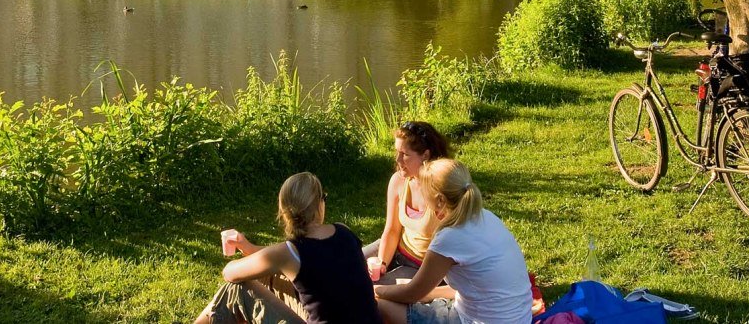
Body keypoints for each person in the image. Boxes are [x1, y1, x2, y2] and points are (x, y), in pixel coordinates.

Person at [196, 172, 380, 324]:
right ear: (319, 204)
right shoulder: (344, 232)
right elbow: (282, 259)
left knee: (235, 289)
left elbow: (229, 273)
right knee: (271, 276)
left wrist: (243, 257)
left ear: (284, 211)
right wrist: (249, 248)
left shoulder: (290, 254)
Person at [375, 159, 533, 324]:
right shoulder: (486, 216)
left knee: (379, 305)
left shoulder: (449, 238)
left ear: (440, 200)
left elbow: (412, 293)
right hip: (520, 318)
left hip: (474, 319)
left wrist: (377, 290)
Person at [366, 121, 451, 285]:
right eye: (397, 152)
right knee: (345, 266)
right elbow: (391, 230)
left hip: (421, 266)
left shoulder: (441, 192)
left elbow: (449, 251)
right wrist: (382, 262)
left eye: (404, 154)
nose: (398, 159)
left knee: (371, 291)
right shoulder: (398, 181)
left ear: (425, 155)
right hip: (398, 247)